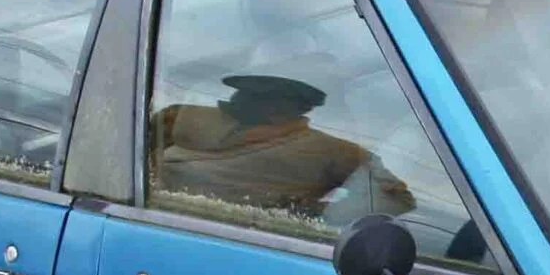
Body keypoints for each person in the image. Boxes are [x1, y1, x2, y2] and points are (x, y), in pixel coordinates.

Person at [149, 73, 413, 220]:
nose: (239, 99)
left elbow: (397, 198)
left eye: (258, 97)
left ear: (289, 109)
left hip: (257, 231)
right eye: (243, 92)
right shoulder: (184, 116)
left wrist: (319, 217)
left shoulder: (329, 150)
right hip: (164, 215)